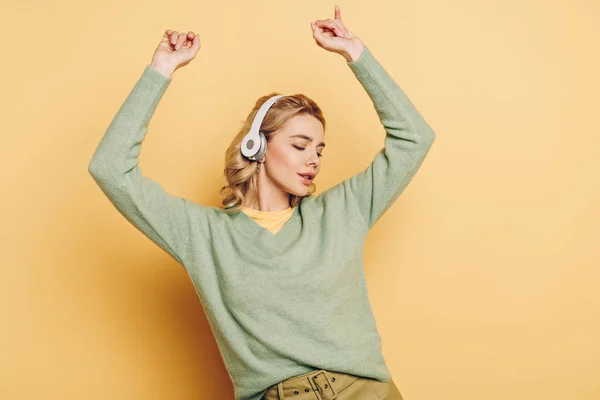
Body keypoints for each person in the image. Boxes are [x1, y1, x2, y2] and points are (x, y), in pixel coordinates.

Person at [88, 4, 435, 400]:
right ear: (257, 146)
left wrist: (356, 55)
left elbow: (414, 138)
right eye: (300, 144)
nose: (314, 159)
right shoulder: (202, 235)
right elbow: (111, 168)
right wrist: (161, 71)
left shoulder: (344, 210)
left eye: (319, 149)